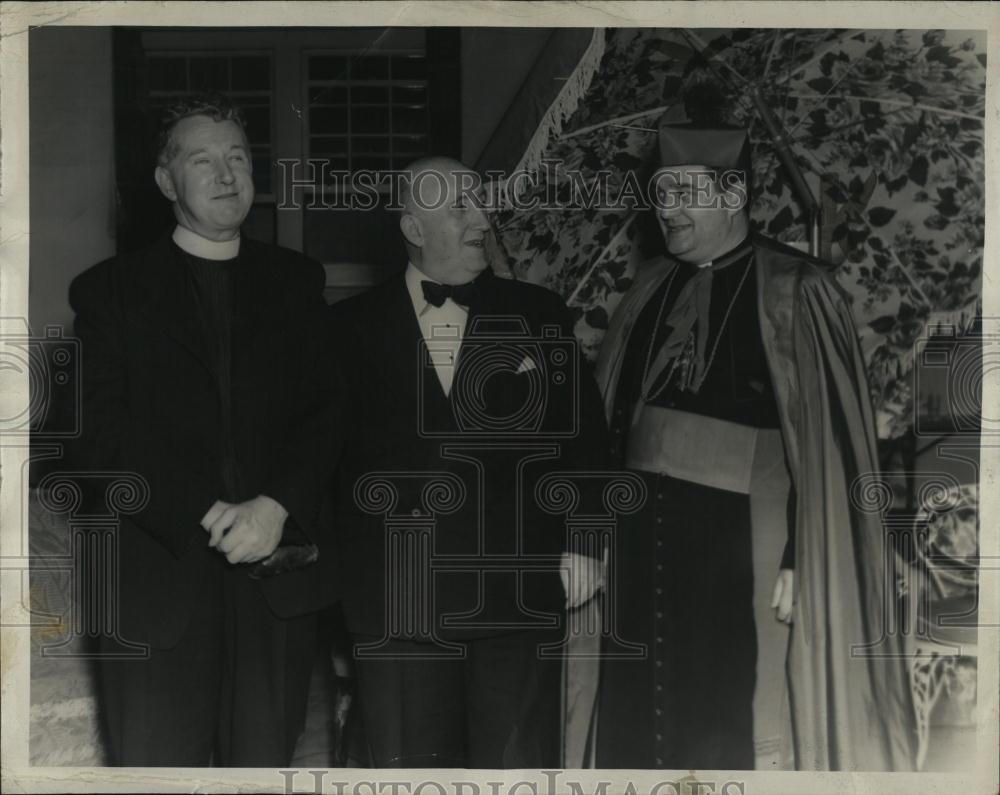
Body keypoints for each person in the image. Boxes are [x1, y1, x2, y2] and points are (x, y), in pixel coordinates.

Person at [590, 111, 915, 770]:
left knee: (729, 704)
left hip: (743, 532)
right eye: (660, 191)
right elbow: (612, 414)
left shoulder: (800, 287)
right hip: (641, 529)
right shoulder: (649, 283)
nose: (666, 209)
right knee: (643, 697)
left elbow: (827, 444)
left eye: (685, 191)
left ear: (734, 195)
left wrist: (803, 550)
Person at [69, 93, 339, 766]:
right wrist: (210, 512)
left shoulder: (299, 282)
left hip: (273, 590)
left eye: (239, 157)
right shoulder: (107, 292)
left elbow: (327, 411)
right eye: (202, 159)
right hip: (156, 589)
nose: (227, 175)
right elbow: (95, 438)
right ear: (166, 181)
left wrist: (275, 506)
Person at [329, 156, 608, 768]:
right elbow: (318, 461)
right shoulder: (344, 329)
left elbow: (586, 441)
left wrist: (587, 542)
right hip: (399, 602)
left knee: (518, 773)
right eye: (461, 207)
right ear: (413, 227)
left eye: (481, 203)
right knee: (407, 775)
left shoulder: (539, 313)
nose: (484, 219)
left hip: (518, 595)